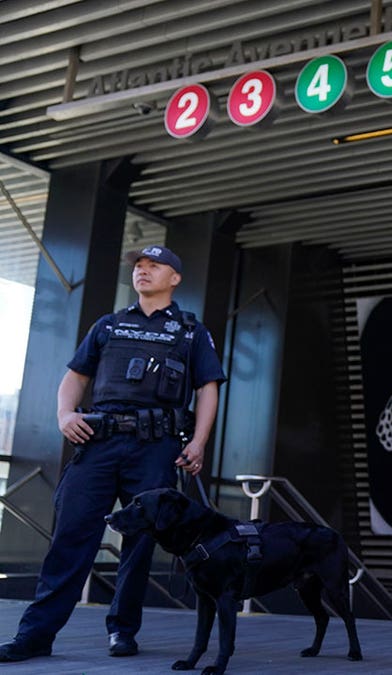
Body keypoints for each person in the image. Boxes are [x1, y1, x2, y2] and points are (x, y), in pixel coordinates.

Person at [0, 245, 226, 663]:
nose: (143, 271)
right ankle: (34, 636)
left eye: (153, 266)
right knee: (71, 538)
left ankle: (122, 631)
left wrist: (199, 442)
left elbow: (207, 387)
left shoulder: (191, 331)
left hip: (156, 446)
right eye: (139, 266)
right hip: (98, 443)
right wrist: (64, 414)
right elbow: (75, 376)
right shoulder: (109, 325)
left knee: (140, 543)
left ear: (174, 278)